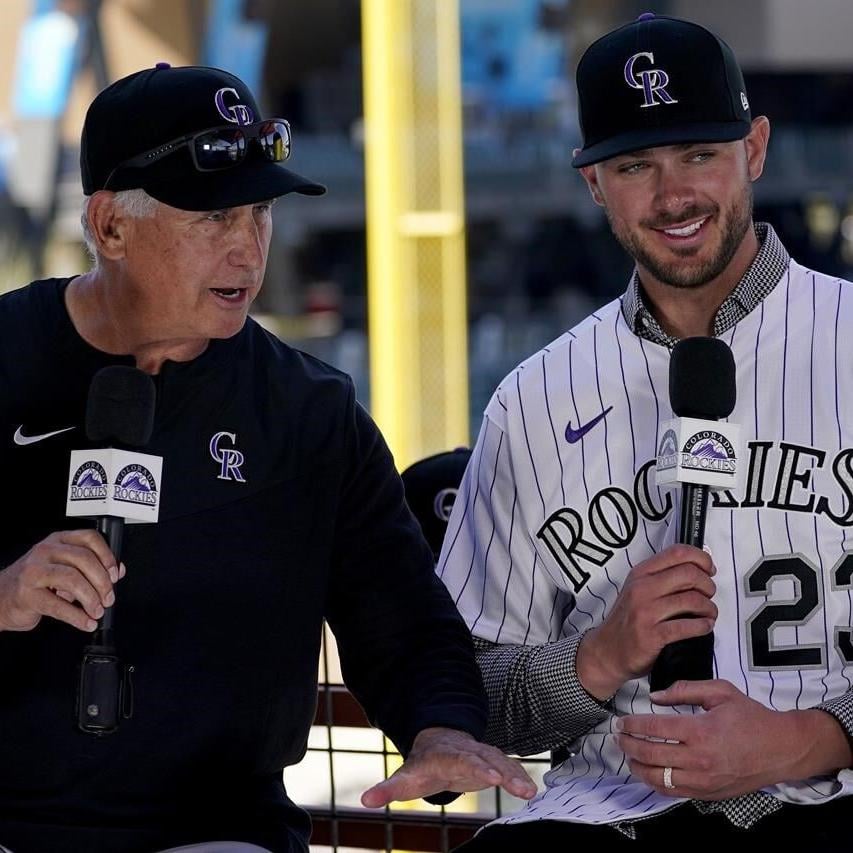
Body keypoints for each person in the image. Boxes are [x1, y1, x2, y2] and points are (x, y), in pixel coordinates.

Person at [0, 63, 536, 853]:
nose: (248, 249)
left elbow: (402, 617)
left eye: (259, 212)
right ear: (110, 226)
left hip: (216, 835)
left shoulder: (308, 413)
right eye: (213, 218)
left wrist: (440, 729)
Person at [436, 13, 853, 850]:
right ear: (593, 183)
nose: (672, 196)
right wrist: (595, 656)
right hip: (613, 812)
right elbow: (470, 690)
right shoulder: (533, 399)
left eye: (699, 154)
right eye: (634, 166)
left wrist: (804, 737)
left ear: (755, 150)